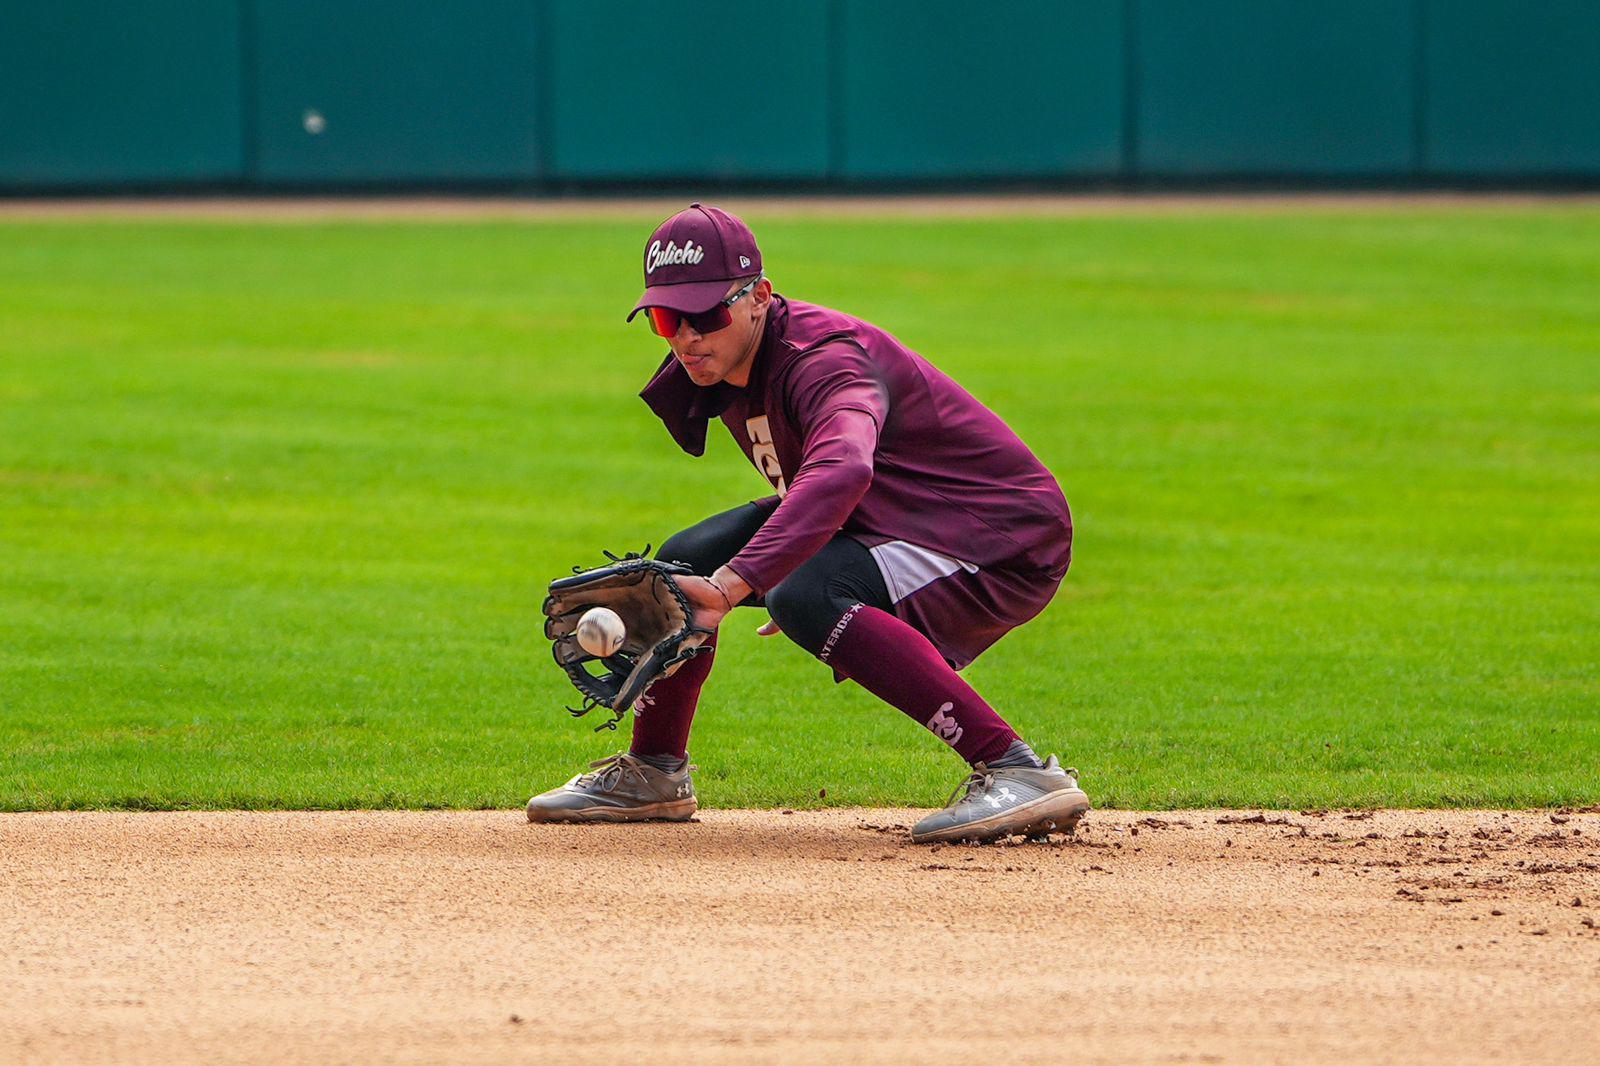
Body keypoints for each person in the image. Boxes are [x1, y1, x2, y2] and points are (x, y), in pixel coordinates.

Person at [526, 203, 1087, 843]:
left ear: (760, 296)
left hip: (993, 534)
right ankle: (655, 773)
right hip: (895, 514)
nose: (685, 336)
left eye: (706, 314)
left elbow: (844, 470)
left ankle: (1015, 768)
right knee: (677, 570)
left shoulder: (823, 359)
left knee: (806, 594)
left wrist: (740, 582)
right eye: (665, 318)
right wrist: (731, 574)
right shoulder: (719, 361)